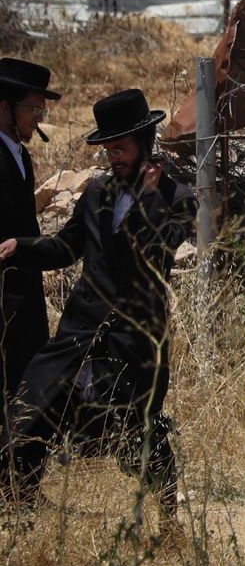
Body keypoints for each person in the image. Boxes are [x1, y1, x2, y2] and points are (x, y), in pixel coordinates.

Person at [0, 89, 194, 513]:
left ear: (146, 143)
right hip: (78, 333)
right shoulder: (96, 193)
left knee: (137, 433)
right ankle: (19, 511)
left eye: (120, 148)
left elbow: (157, 255)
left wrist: (146, 197)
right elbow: (66, 248)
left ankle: (168, 516)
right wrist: (22, 247)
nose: (113, 158)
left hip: (135, 340)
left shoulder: (177, 199)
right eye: (108, 150)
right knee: (29, 413)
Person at [0, 58, 60, 401]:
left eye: (42, 110)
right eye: (33, 108)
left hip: (22, 299)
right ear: (5, 106)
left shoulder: (20, 156)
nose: (39, 118)